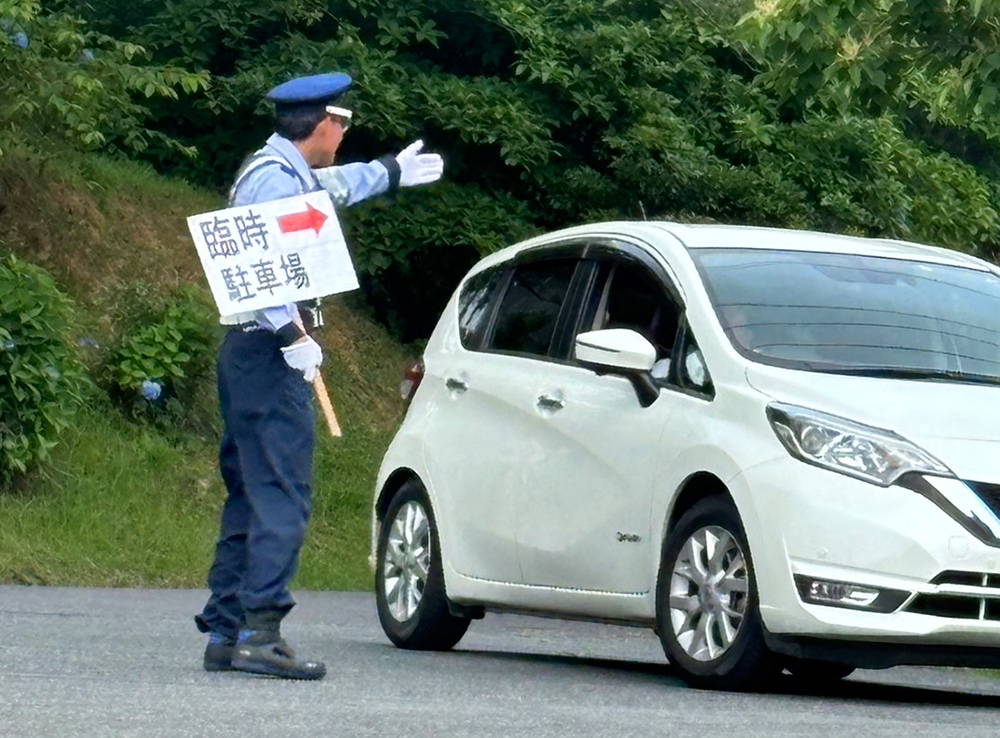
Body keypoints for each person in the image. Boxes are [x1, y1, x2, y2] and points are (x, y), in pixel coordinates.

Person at [194, 72, 444, 680]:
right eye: (345, 123)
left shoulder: (275, 171)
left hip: (250, 355)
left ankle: (228, 630)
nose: (344, 134)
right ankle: (261, 633)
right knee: (282, 494)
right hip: (269, 353)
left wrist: (385, 172)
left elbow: (329, 187)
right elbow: (260, 271)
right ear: (325, 124)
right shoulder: (274, 182)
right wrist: (293, 336)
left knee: (252, 493)